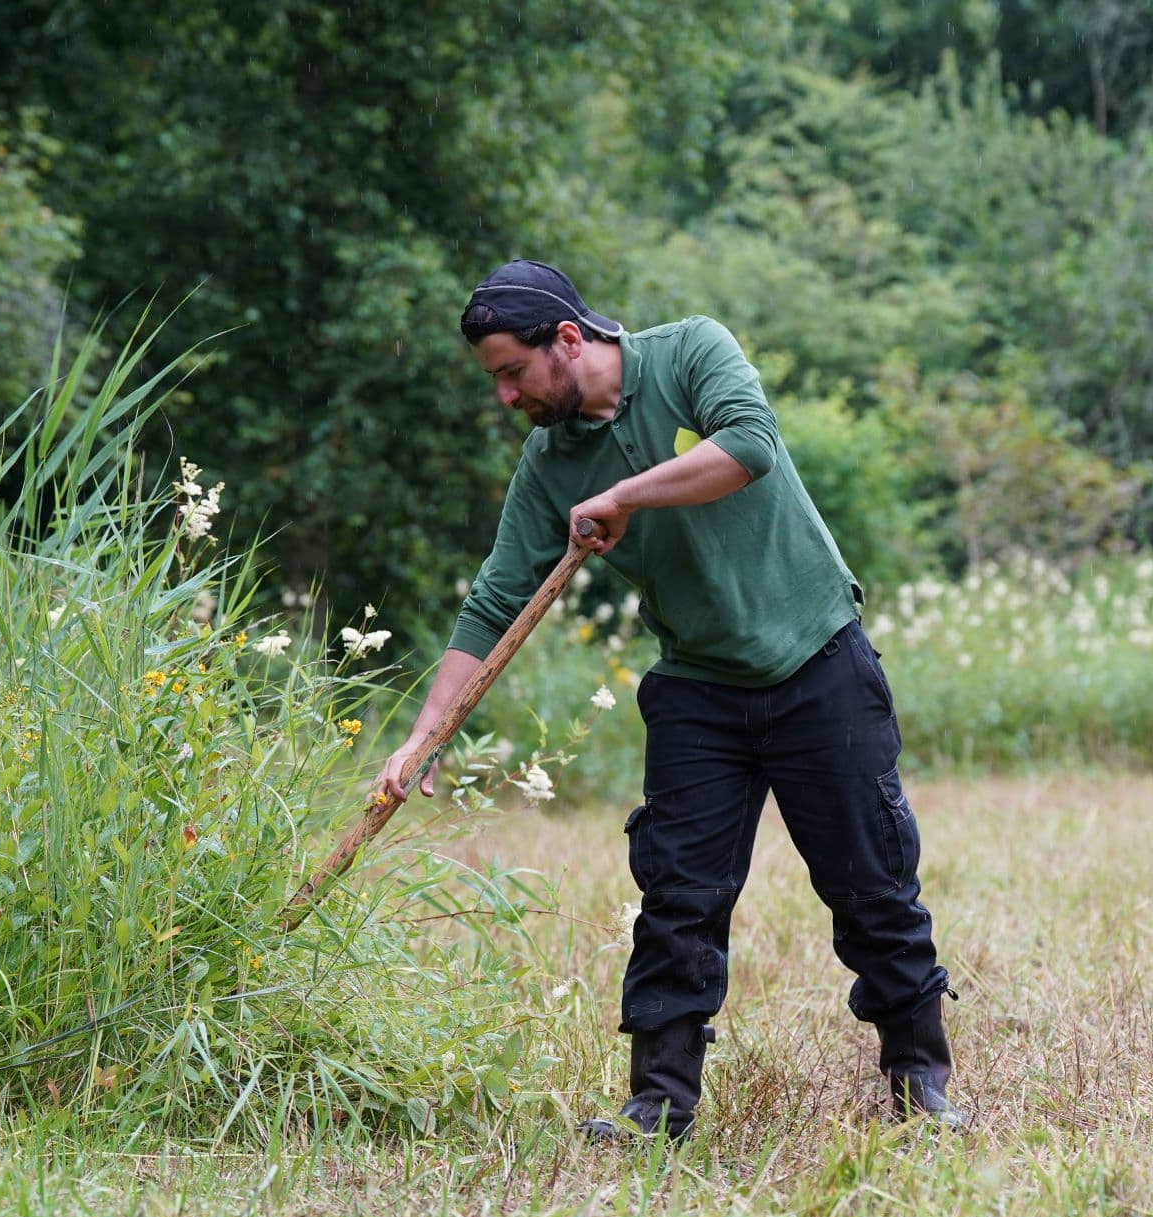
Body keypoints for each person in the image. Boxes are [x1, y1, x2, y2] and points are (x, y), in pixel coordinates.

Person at [371, 259, 956, 1141]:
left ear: (567, 340)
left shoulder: (690, 353)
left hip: (816, 657)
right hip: (698, 687)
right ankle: (659, 1104)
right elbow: (495, 598)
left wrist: (622, 498)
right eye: (494, 378)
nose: (504, 397)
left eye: (511, 372)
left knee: (869, 879)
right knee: (678, 891)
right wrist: (425, 735)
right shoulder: (548, 464)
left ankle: (919, 1079)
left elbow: (748, 447)